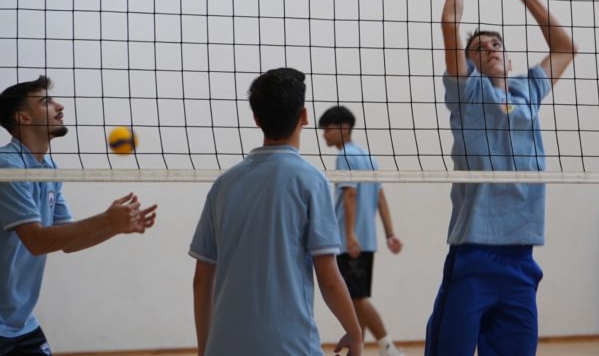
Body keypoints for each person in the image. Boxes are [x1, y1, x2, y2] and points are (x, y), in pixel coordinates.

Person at [426, 0, 577, 355]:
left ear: (508, 59)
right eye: (480, 48)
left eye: (497, 45)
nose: (491, 48)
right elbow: (449, 22)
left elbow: (565, 49)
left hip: (521, 255)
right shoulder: (467, 93)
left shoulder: (527, 89)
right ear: (469, 64)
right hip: (474, 251)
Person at [190, 68, 363, 356]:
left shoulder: (223, 185)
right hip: (290, 348)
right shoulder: (312, 181)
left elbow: (201, 280)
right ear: (305, 117)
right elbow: (329, 278)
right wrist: (355, 334)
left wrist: (205, 351)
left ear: (256, 120)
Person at [0, 75, 157, 356]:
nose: (59, 106)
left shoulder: (49, 167)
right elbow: (36, 241)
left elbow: (68, 242)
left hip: (18, 320)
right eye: (46, 101)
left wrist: (115, 226)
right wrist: (107, 220)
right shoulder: (6, 168)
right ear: (23, 118)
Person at [320, 105, 405, 356]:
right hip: (367, 241)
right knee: (356, 299)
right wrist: (390, 233)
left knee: (356, 298)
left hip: (351, 242)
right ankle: (356, 351)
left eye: (328, 128)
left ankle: (388, 348)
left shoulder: (345, 155)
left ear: (344, 127)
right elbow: (380, 196)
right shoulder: (368, 157)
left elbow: (350, 193)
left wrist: (349, 235)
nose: (324, 134)